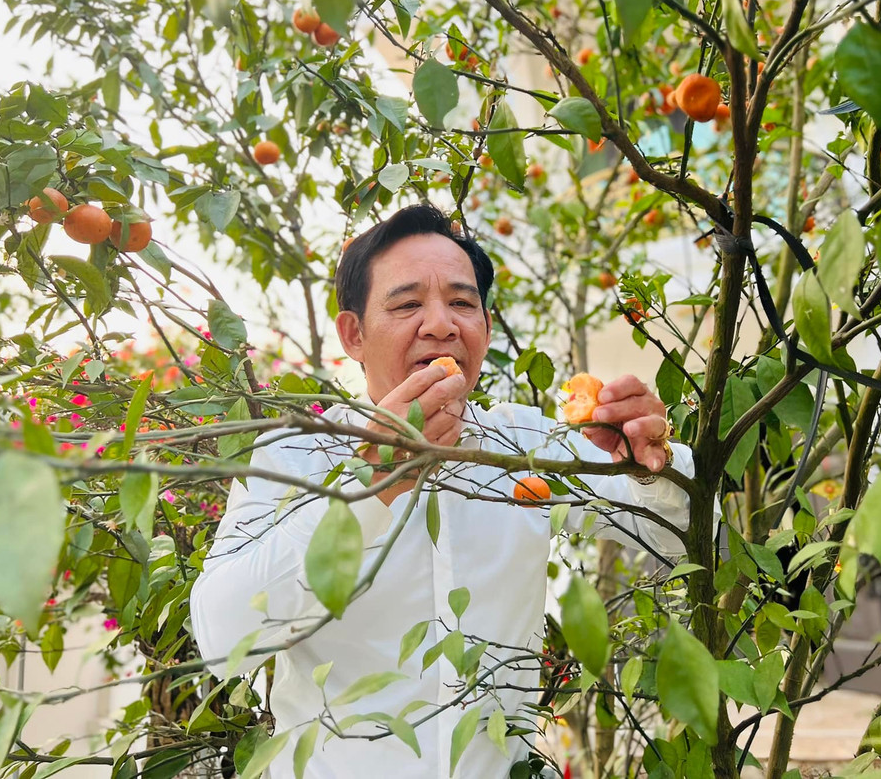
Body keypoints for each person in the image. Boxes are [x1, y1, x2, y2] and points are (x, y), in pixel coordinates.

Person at [190, 203, 694, 778]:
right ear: (353, 334)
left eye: (462, 303)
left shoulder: (524, 442)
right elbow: (224, 638)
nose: (440, 324)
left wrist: (651, 462)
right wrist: (373, 482)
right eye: (407, 304)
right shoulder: (297, 454)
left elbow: (677, 531)